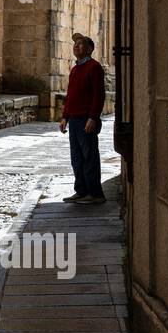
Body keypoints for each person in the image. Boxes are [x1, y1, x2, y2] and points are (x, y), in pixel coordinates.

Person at [60, 32, 106, 204]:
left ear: (90, 49)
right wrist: (65, 117)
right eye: (75, 44)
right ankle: (81, 190)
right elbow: (70, 95)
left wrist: (93, 117)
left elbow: (98, 95)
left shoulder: (94, 67)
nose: (76, 46)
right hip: (74, 120)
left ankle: (95, 193)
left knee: (89, 157)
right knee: (76, 158)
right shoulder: (75, 69)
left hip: (86, 119)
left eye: (81, 43)